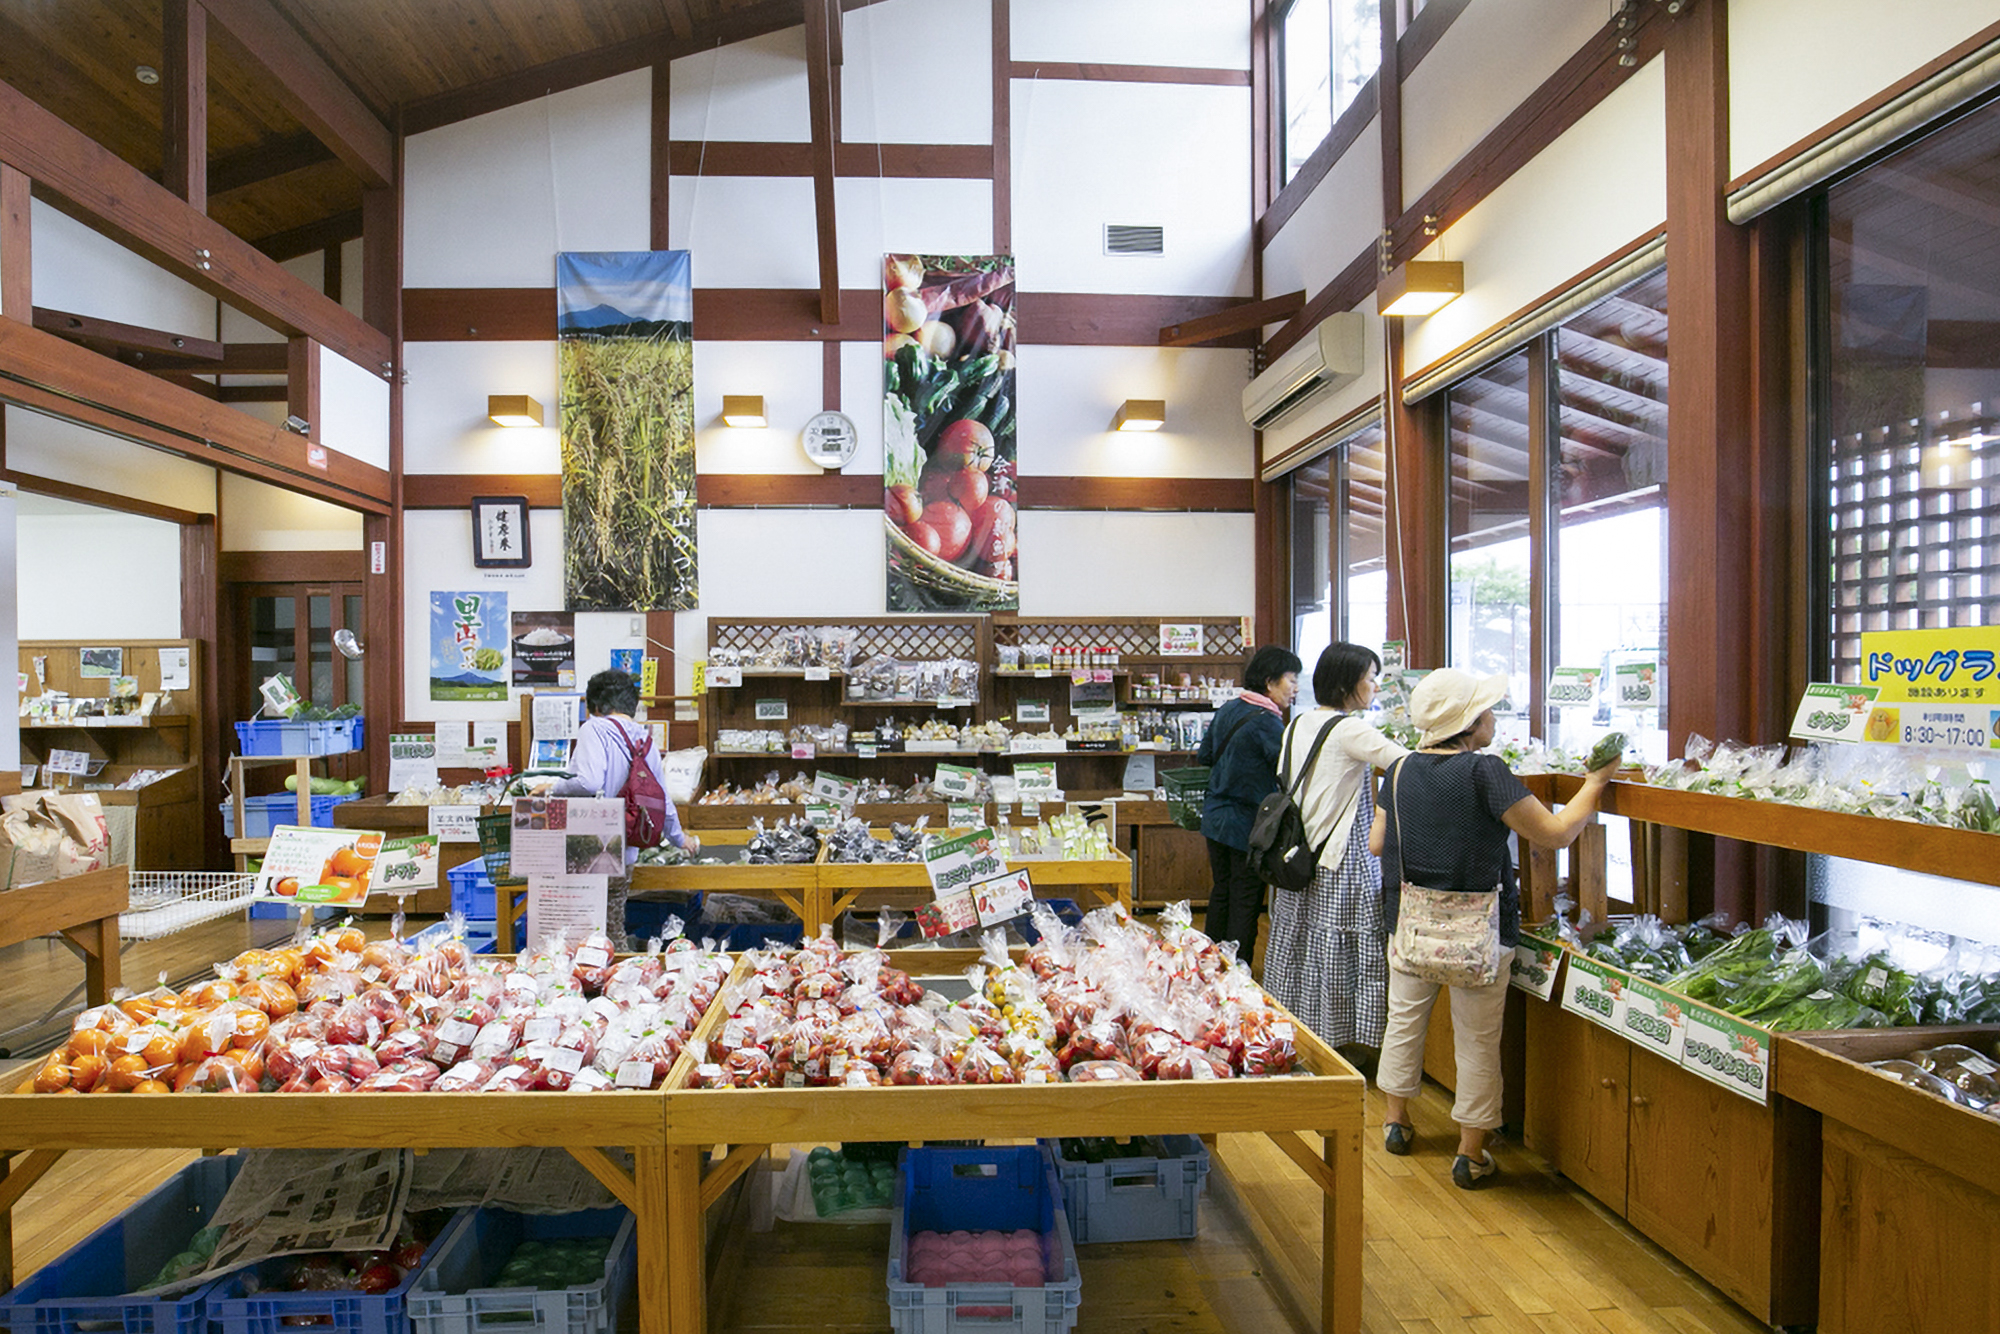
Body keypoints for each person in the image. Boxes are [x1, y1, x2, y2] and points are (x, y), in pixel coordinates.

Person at [1368, 667, 1613, 1189]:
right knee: (1478, 1040)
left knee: (1403, 1022)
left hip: (1410, 923)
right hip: (1479, 930)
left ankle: (1395, 1121)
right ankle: (1470, 1152)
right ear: (1469, 722)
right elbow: (1556, 833)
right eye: (1487, 709)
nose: (1494, 717)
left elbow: (1376, 843)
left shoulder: (1400, 768)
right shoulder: (1485, 771)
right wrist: (1594, 782)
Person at [1261, 643, 1407, 1068]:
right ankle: (1343, 1044)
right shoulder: (1350, 731)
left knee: (1300, 946)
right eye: (1370, 678)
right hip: (1341, 860)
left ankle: (1301, 1037)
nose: (1375, 686)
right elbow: (1406, 764)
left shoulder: (1297, 722)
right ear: (1348, 684)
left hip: (1298, 855)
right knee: (1343, 951)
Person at [562, 668, 699, 946]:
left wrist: (551, 787)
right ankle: (619, 968)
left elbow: (588, 782)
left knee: (581, 932)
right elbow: (661, 798)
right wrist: (679, 838)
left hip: (589, 845)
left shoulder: (593, 728)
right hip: (625, 850)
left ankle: (589, 971)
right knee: (612, 927)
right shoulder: (644, 740)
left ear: (596, 706)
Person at [1194, 644, 1302, 967]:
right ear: (1270, 682)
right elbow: (1287, 771)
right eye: (1291, 679)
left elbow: (1205, 755)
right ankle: (1238, 972)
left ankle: (1211, 966)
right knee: (1245, 898)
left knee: (1222, 891)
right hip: (1248, 824)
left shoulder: (1229, 708)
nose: (1295, 688)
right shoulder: (1268, 723)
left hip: (1215, 818)